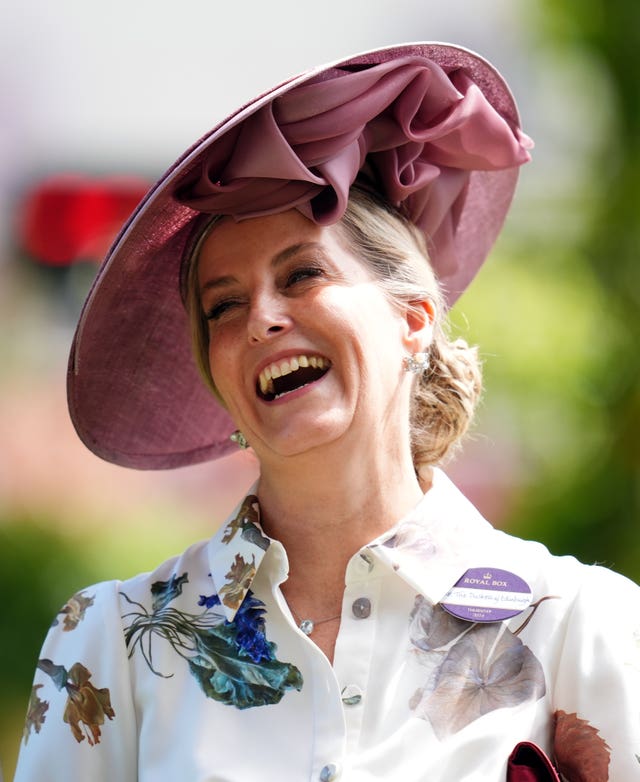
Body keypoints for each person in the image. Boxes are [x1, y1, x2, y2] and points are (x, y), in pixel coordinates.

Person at [14, 42, 640, 782]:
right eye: (224, 306)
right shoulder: (108, 647)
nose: (262, 319)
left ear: (413, 317)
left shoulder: (583, 626)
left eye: (303, 273)